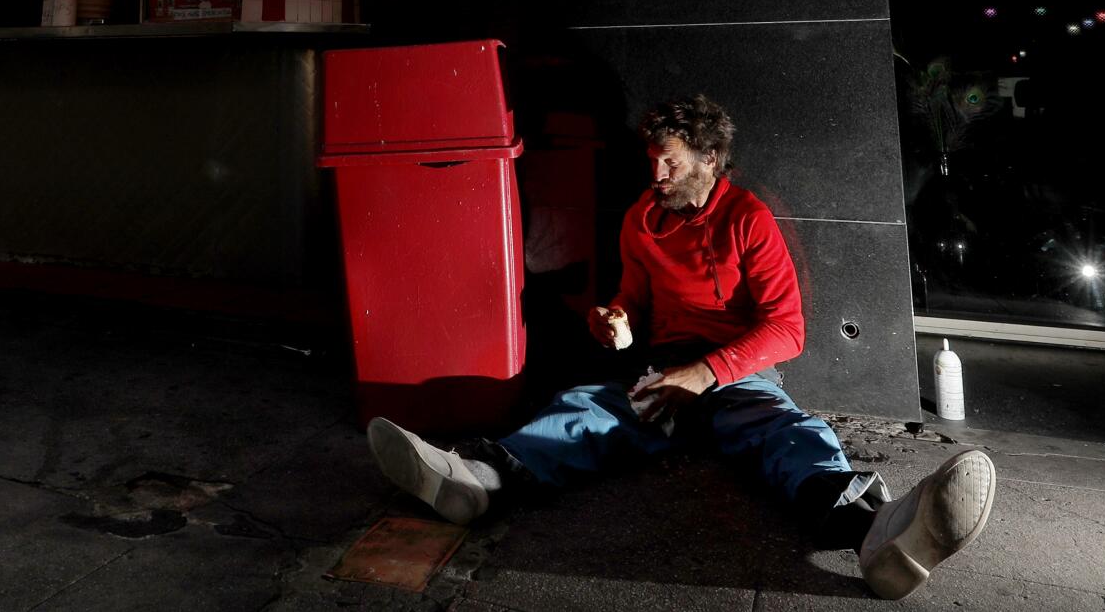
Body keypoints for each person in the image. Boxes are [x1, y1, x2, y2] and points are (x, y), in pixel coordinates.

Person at [366, 93, 996, 602]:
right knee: (586, 409)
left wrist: (708, 371)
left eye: (668, 162)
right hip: (662, 368)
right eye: (652, 160)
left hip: (735, 372)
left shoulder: (748, 218)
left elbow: (788, 329)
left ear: (708, 159)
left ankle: (877, 538)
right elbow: (631, 304)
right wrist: (616, 324)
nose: (655, 174)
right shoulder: (641, 220)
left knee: (785, 431)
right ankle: (477, 479)